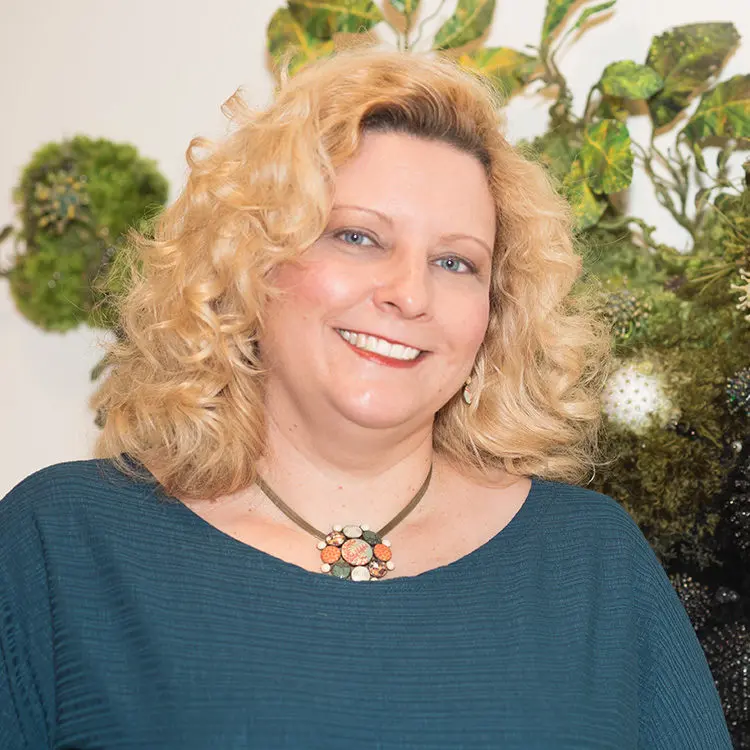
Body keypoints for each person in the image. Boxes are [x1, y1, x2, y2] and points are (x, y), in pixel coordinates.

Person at [0, 48, 732, 749]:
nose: (409, 294)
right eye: (357, 237)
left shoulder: (591, 564)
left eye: (455, 262)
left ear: (495, 314)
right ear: (249, 263)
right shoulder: (63, 543)